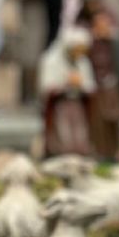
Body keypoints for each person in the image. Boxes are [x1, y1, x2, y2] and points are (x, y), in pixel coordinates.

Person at [77, 0, 119, 161]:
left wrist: (108, 32)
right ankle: (98, 150)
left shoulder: (108, 15)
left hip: (108, 75)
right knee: (95, 118)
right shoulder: (81, 20)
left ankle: (114, 150)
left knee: (112, 115)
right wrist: (91, 34)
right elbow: (74, 40)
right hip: (91, 75)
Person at [38, 25, 96, 158]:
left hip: (77, 103)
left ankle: (80, 154)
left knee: (79, 132)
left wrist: (81, 84)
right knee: (63, 133)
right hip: (60, 104)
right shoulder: (52, 60)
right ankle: (60, 154)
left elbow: (90, 85)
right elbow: (47, 86)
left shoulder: (83, 62)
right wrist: (66, 82)